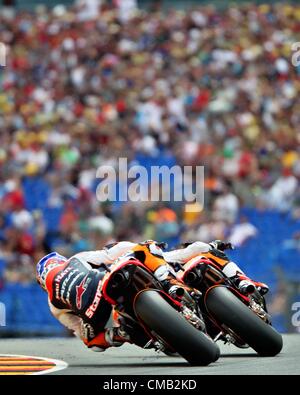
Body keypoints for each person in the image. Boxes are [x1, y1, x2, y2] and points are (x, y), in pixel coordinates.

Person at [36, 241, 181, 352]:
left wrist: (103, 332)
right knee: (146, 246)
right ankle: (168, 280)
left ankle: (122, 333)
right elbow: (109, 256)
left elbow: (79, 331)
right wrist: (134, 246)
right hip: (103, 286)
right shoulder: (75, 259)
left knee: (91, 343)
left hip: (94, 315)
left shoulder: (53, 304)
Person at [164, 240, 269, 296]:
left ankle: (242, 280)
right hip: (180, 288)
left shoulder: (188, 252)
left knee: (213, 253)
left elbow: (199, 247)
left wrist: (214, 245)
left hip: (193, 274)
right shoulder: (165, 257)